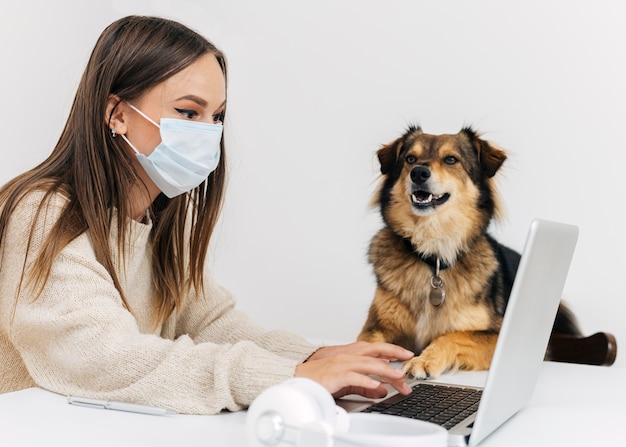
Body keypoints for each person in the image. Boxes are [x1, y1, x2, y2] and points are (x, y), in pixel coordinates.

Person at [0, 15, 413, 414]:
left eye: (216, 116)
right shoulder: (43, 214)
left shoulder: (155, 219)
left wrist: (320, 357)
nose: (207, 131)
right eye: (188, 112)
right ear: (118, 114)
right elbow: (105, 357)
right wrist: (292, 377)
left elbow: (210, 322)